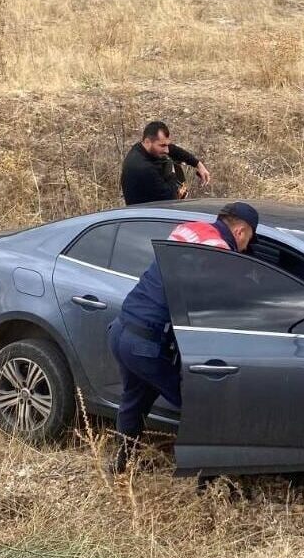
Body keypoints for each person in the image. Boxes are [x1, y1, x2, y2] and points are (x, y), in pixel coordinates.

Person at [106, 202, 259, 473]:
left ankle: (121, 467)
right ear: (240, 231)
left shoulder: (189, 229)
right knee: (198, 406)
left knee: (134, 400)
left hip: (121, 329)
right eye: (249, 240)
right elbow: (224, 301)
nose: (246, 247)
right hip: (145, 342)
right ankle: (208, 479)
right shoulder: (218, 251)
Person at [120, 121, 212, 205]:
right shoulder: (143, 168)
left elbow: (173, 149)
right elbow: (171, 198)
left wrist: (198, 164)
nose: (167, 150)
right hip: (146, 215)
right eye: (163, 145)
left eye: (167, 145)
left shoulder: (141, 147)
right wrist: (172, 172)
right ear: (147, 142)